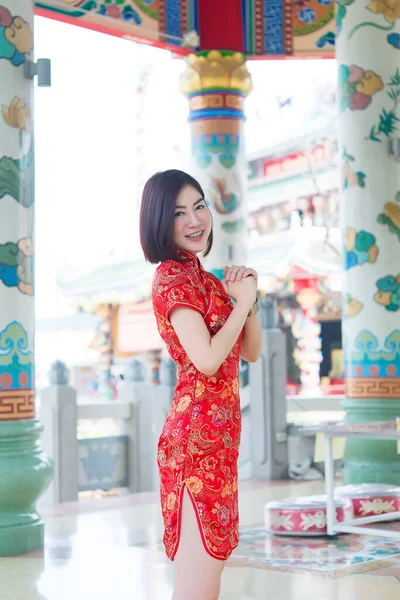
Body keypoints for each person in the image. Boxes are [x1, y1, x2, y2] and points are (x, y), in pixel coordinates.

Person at [140, 169, 262, 600]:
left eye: (199, 206)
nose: (195, 220)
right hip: (193, 443)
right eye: (178, 213)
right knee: (197, 586)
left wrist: (247, 301)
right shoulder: (171, 279)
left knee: (211, 573)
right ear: (159, 221)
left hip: (221, 440)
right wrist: (241, 303)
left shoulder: (207, 281)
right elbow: (209, 360)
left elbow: (250, 352)